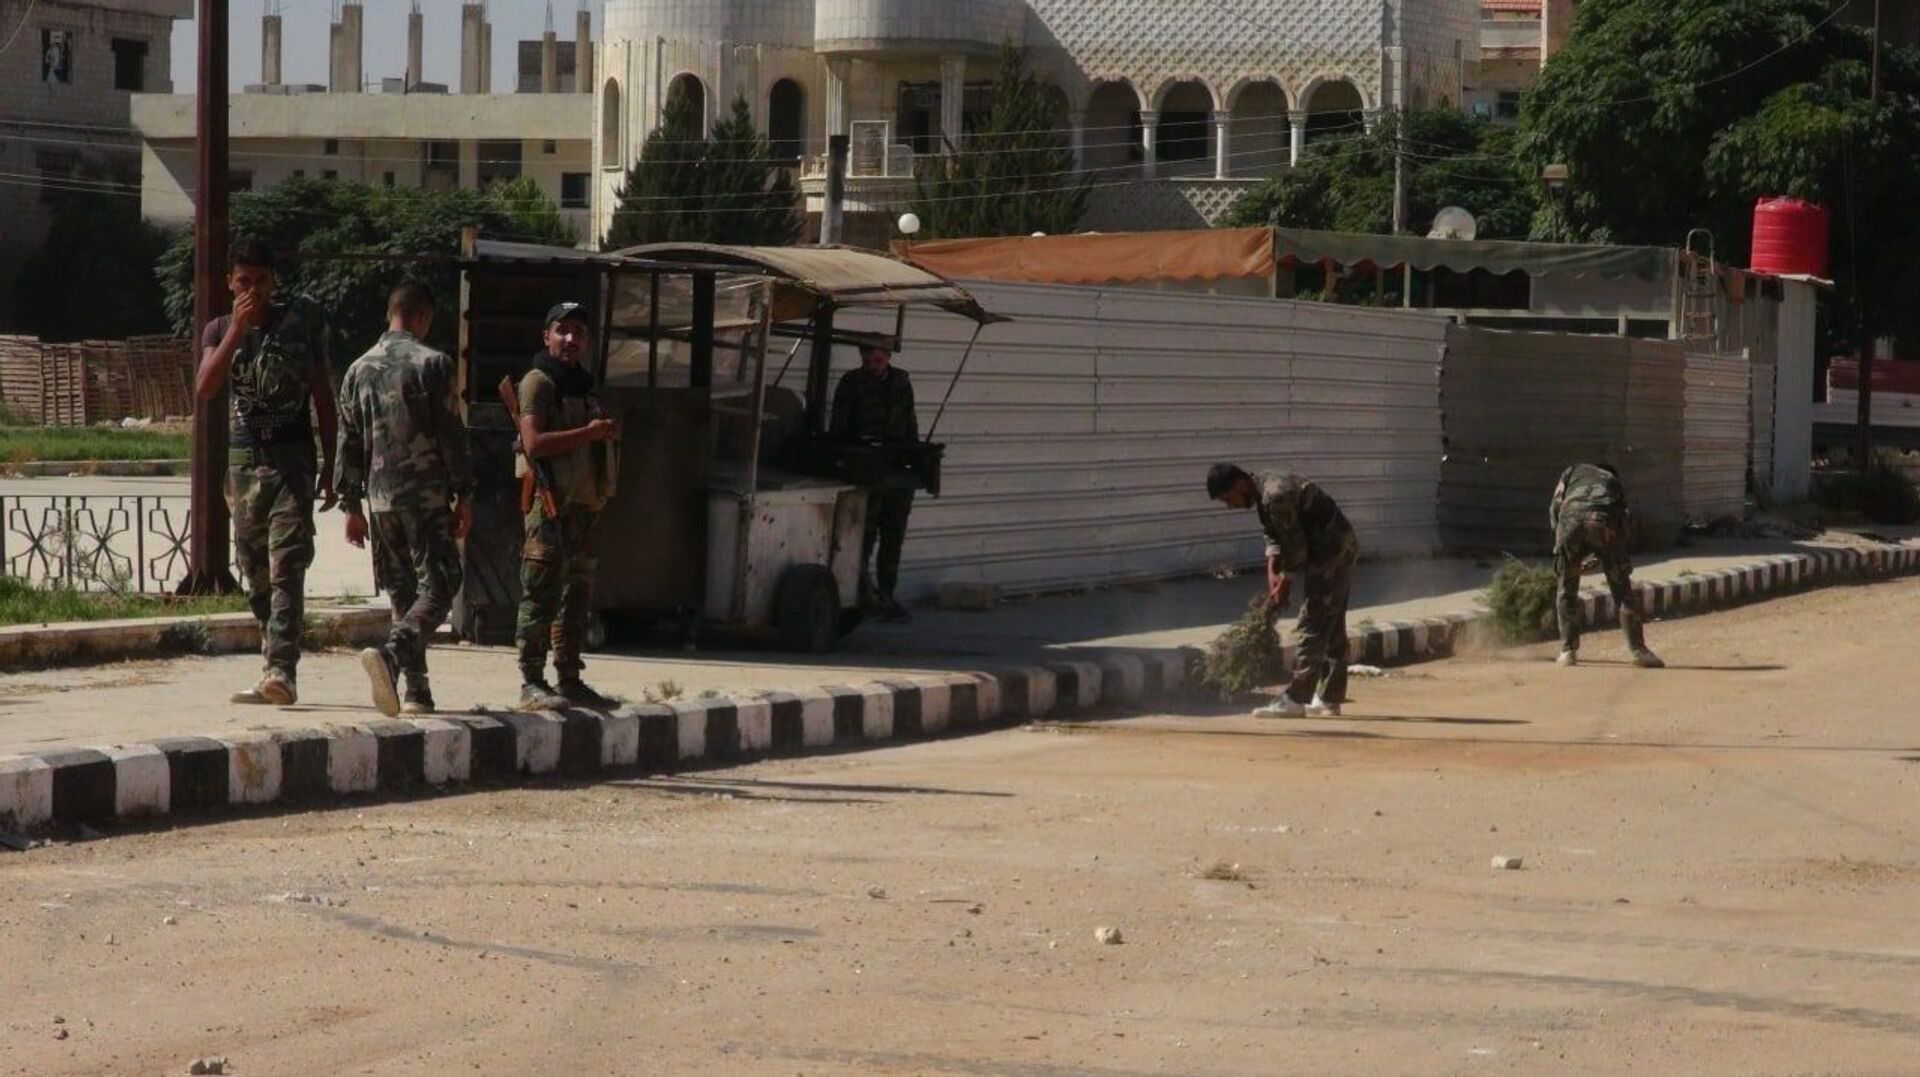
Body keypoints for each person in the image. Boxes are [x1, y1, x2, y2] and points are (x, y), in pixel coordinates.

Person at [195, 237, 337, 706]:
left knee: (287, 566)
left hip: (292, 461)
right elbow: (206, 388)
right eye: (243, 281)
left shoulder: (301, 321)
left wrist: (331, 460)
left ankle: (282, 669)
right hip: (243, 466)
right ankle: (270, 660)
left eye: (260, 281)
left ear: (273, 281)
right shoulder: (218, 329)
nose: (252, 289)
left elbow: (322, 393)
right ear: (229, 283)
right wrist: (237, 330)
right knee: (255, 572)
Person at [335, 279, 475, 717]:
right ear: (422, 317)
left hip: (380, 502)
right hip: (426, 496)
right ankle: (394, 656)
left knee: (402, 593)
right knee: (442, 582)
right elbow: (451, 434)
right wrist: (464, 494)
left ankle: (416, 691)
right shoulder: (433, 363)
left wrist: (351, 506)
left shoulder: (358, 368)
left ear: (389, 313)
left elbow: (348, 443)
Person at [514, 301, 620, 710]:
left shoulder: (583, 385)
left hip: (585, 507)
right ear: (547, 336)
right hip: (551, 505)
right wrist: (589, 434)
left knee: (577, 595)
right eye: (563, 330)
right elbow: (533, 444)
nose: (571, 339)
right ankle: (531, 680)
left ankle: (569, 677)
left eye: (579, 331)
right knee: (540, 594)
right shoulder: (539, 382)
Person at [1207, 463, 1359, 718]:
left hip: (1331, 551)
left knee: (1312, 620)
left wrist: (1285, 585)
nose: (1230, 506)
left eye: (1227, 499)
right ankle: (1330, 698)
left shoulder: (1274, 495)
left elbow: (1296, 549)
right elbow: (1275, 536)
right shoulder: (1263, 491)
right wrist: (1272, 575)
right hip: (1334, 548)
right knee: (1331, 623)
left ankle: (1296, 698)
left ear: (1239, 484)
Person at [830, 342, 919, 623]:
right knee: (862, 539)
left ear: (888, 359)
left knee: (892, 539)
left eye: (878, 362)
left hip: (893, 466)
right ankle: (862, 596)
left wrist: (913, 453)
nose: (873, 367)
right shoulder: (852, 382)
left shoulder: (901, 381)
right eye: (868, 362)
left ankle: (887, 596)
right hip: (864, 467)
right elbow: (840, 424)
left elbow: (909, 420)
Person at [1550, 463, 1664, 669]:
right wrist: (1613, 555)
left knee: (1566, 588)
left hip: (1569, 522)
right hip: (1603, 523)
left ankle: (1568, 652)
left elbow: (1556, 508)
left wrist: (1563, 550)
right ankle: (1639, 651)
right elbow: (1623, 520)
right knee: (1622, 590)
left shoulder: (1571, 472)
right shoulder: (1613, 482)